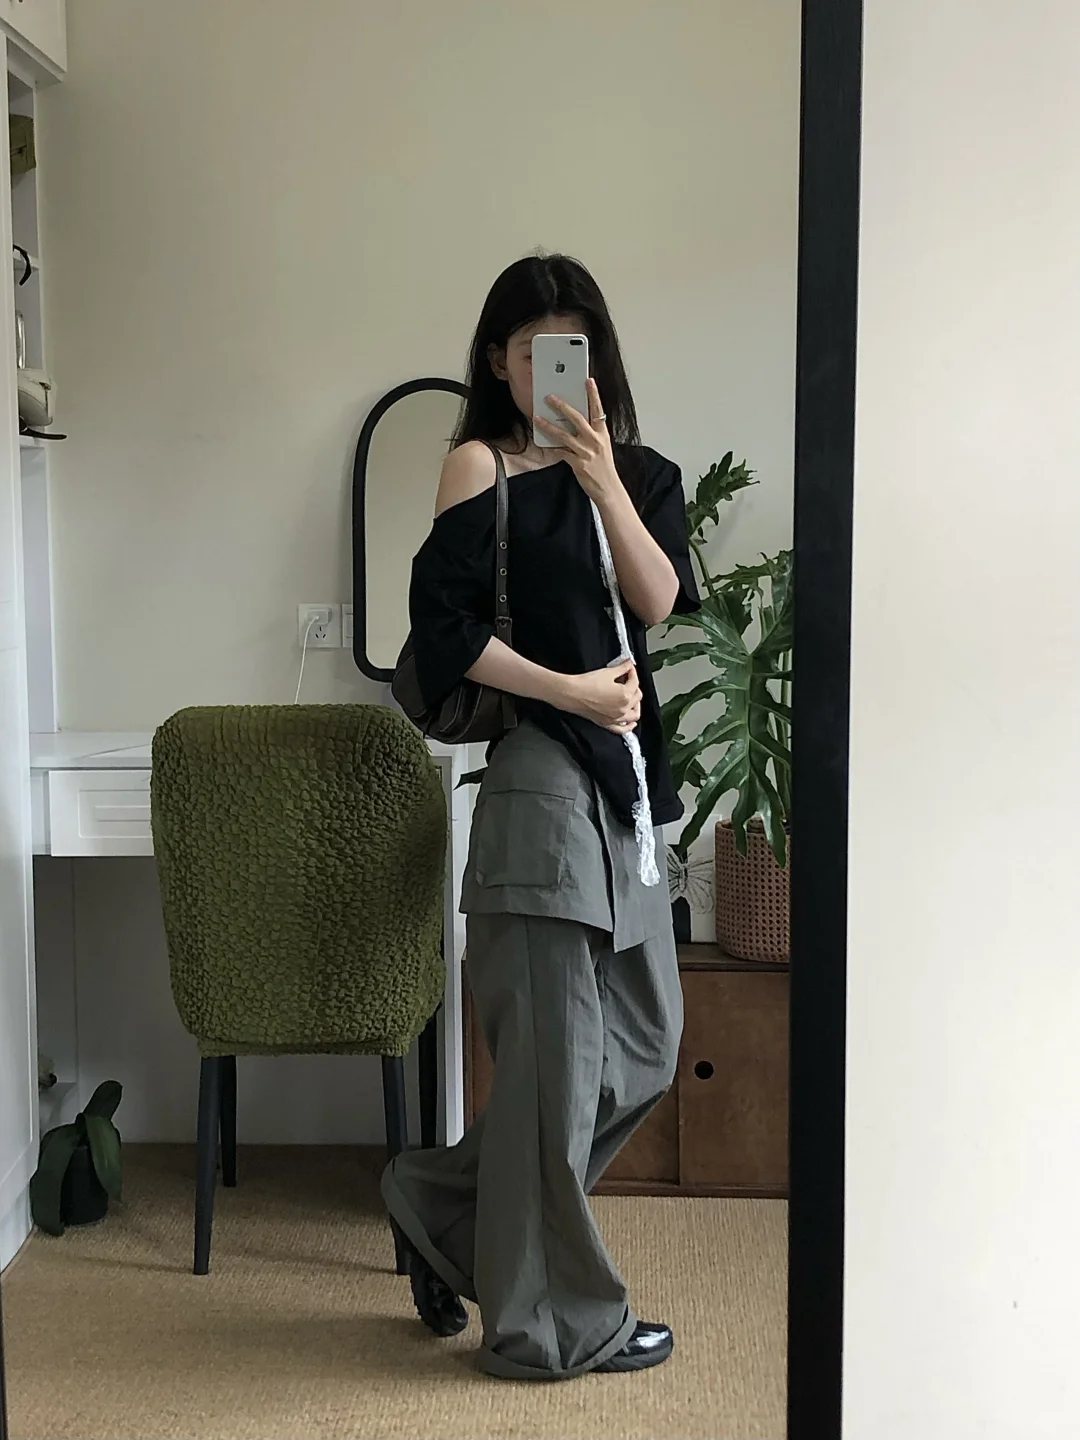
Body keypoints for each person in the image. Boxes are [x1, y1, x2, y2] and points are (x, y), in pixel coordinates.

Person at [382, 252, 700, 1381]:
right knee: (554, 1074)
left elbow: (660, 599)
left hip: (628, 796)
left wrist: (602, 479)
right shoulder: (480, 466)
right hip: (541, 787)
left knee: (646, 1047)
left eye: (573, 346)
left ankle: (440, 1201)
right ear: (498, 361)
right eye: (532, 350)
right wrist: (569, 692)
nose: (553, 367)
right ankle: (551, 1326)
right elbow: (447, 631)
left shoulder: (640, 474)